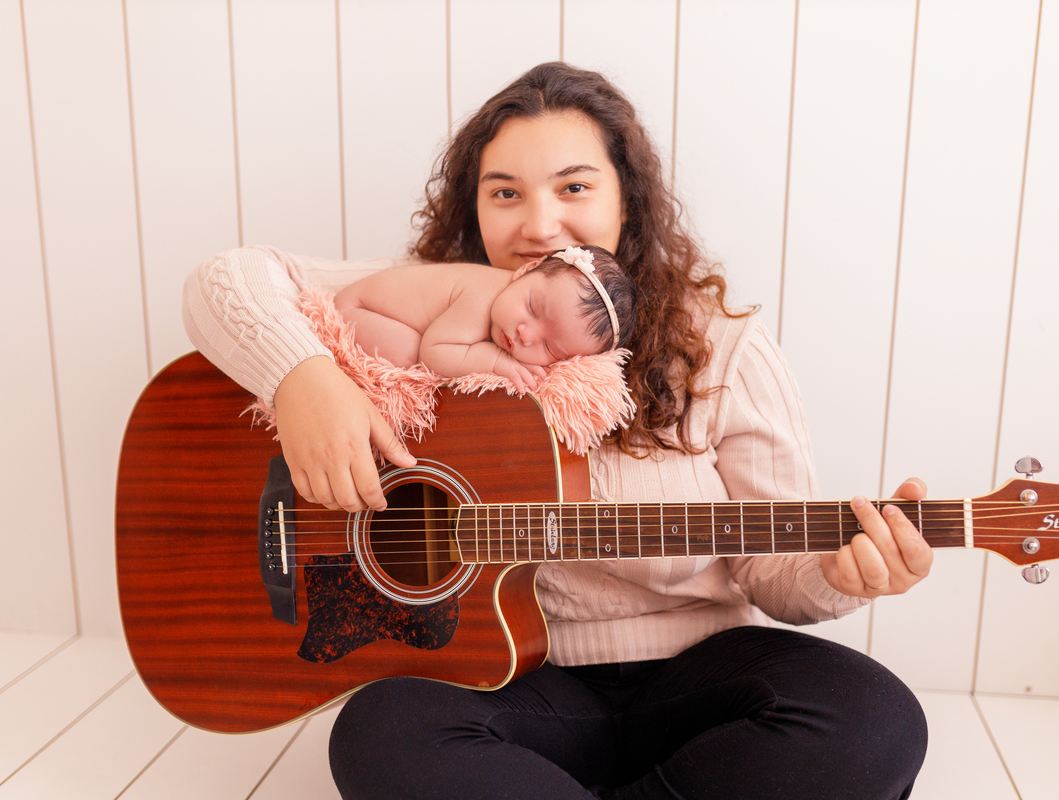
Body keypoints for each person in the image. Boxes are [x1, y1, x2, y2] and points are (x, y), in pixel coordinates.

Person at [184, 62, 931, 799]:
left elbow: (777, 578)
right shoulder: (442, 295)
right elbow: (224, 280)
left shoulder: (723, 347)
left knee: (874, 721)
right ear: (472, 206)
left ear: (626, 200)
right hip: (508, 686)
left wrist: (838, 575)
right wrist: (304, 381)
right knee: (381, 730)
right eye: (504, 192)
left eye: (574, 187)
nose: (539, 226)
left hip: (696, 684)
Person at [332, 245, 636, 394]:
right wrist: (495, 362)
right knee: (412, 356)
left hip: (372, 315)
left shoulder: (514, 302)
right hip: (356, 311)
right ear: (528, 269)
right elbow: (434, 352)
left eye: (550, 348)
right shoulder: (482, 296)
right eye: (532, 307)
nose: (525, 334)